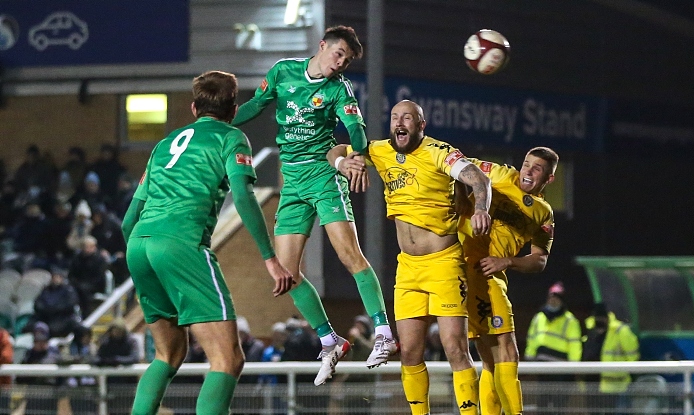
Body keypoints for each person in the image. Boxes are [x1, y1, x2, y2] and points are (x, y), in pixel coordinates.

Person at [231, 24, 396, 385]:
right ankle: (329, 339)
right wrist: (219, 122)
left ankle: (384, 331)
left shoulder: (339, 89)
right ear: (322, 46)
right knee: (286, 274)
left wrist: (358, 156)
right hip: (290, 181)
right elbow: (256, 105)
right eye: (339, 54)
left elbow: (356, 130)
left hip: (324, 176)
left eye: (347, 60)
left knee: (349, 255)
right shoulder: (283, 72)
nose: (341, 63)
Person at [121, 70, 293, 415]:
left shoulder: (165, 143)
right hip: (181, 243)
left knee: (167, 355)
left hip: (139, 244)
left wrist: (145, 258)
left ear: (194, 107)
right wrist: (270, 257)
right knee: (227, 359)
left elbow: (129, 219)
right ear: (233, 109)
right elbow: (244, 198)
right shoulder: (231, 138)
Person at [328, 99, 492, 415]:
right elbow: (335, 149)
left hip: (444, 263)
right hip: (408, 267)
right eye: (394, 117)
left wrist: (481, 208)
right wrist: (343, 164)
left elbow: (478, 178)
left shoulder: (439, 152)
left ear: (421, 125)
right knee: (410, 352)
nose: (399, 122)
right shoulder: (379, 150)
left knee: (455, 348)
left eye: (408, 118)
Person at [454, 146, 560, 415]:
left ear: (549, 179)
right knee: (507, 352)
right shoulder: (498, 174)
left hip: (491, 275)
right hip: (472, 269)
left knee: (491, 359)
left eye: (538, 168)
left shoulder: (543, 213)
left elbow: (540, 259)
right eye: (527, 163)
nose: (528, 170)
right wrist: (459, 197)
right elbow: (456, 165)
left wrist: (508, 261)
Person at [524, 282, 582, 413]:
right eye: (551, 297)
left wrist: (574, 365)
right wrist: (529, 357)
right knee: (543, 403)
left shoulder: (570, 320)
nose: (553, 300)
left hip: (561, 368)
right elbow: (532, 338)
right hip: (542, 366)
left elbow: (574, 344)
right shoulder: (539, 317)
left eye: (556, 298)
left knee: (559, 404)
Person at [582, 302, 640, 415]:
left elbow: (633, 357)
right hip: (593, 385)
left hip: (617, 386)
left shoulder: (620, 331)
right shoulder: (591, 331)